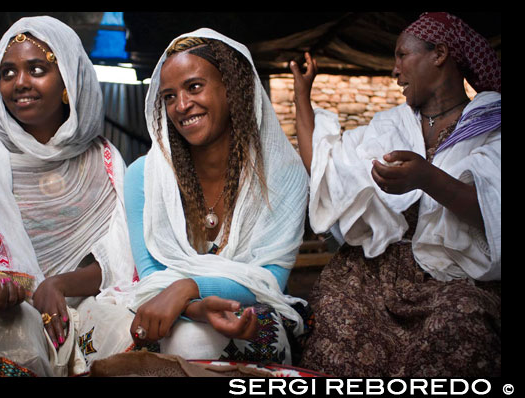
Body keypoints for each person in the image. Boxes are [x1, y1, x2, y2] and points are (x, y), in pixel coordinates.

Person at [290, 12, 500, 376]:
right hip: (374, 273)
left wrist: (426, 178)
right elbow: (323, 166)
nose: (395, 70)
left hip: (452, 276)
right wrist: (301, 94)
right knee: (336, 314)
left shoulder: (489, 126)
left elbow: (494, 210)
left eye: (403, 55)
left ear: (439, 54)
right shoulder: (389, 126)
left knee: (459, 322)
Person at [0, 16, 137, 376]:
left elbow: (121, 258)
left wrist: (58, 285)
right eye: (7, 73)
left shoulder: (105, 160)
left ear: (68, 80)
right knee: (10, 332)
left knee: (125, 330)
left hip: (85, 303)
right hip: (3, 309)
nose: (20, 83)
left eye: (36, 69)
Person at [123, 28, 310, 365]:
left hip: (252, 312)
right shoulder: (143, 176)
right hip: (169, 312)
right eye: (168, 96)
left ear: (231, 89)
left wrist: (187, 287)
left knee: (200, 343)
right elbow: (152, 278)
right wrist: (193, 307)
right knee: (184, 338)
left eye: (194, 87)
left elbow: (269, 281)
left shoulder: (283, 173)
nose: (181, 106)